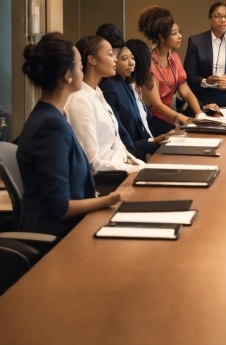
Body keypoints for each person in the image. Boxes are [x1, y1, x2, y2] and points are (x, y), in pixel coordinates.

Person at [17, 33, 121, 237]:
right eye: (80, 65)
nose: (83, 68)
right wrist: (112, 199)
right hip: (59, 236)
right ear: (67, 75)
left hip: (73, 227)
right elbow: (61, 208)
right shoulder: (51, 126)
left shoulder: (50, 116)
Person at [65, 35, 144, 174]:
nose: (115, 59)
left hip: (120, 169)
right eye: (110, 54)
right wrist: (133, 169)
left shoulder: (97, 93)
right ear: (92, 60)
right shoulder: (80, 100)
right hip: (106, 180)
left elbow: (117, 145)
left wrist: (139, 165)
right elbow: (92, 163)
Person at [137, 5, 205, 131]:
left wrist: (199, 113)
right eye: (174, 33)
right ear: (161, 37)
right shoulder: (148, 62)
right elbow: (156, 104)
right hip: (153, 120)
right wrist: (183, 119)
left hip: (173, 117)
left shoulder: (173, 57)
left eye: (179, 31)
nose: (180, 36)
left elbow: (185, 91)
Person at [100, 42, 169, 160]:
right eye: (124, 59)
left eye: (132, 57)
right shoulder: (111, 87)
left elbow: (144, 122)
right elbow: (119, 131)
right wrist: (153, 142)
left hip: (140, 150)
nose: (132, 62)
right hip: (127, 156)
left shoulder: (126, 83)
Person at [184, 2, 226, 108]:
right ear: (210, 18)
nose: (223, 20)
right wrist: (206, 81)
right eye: (218, 16)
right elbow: (190, 75)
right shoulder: (196, 41)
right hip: (204, 97)